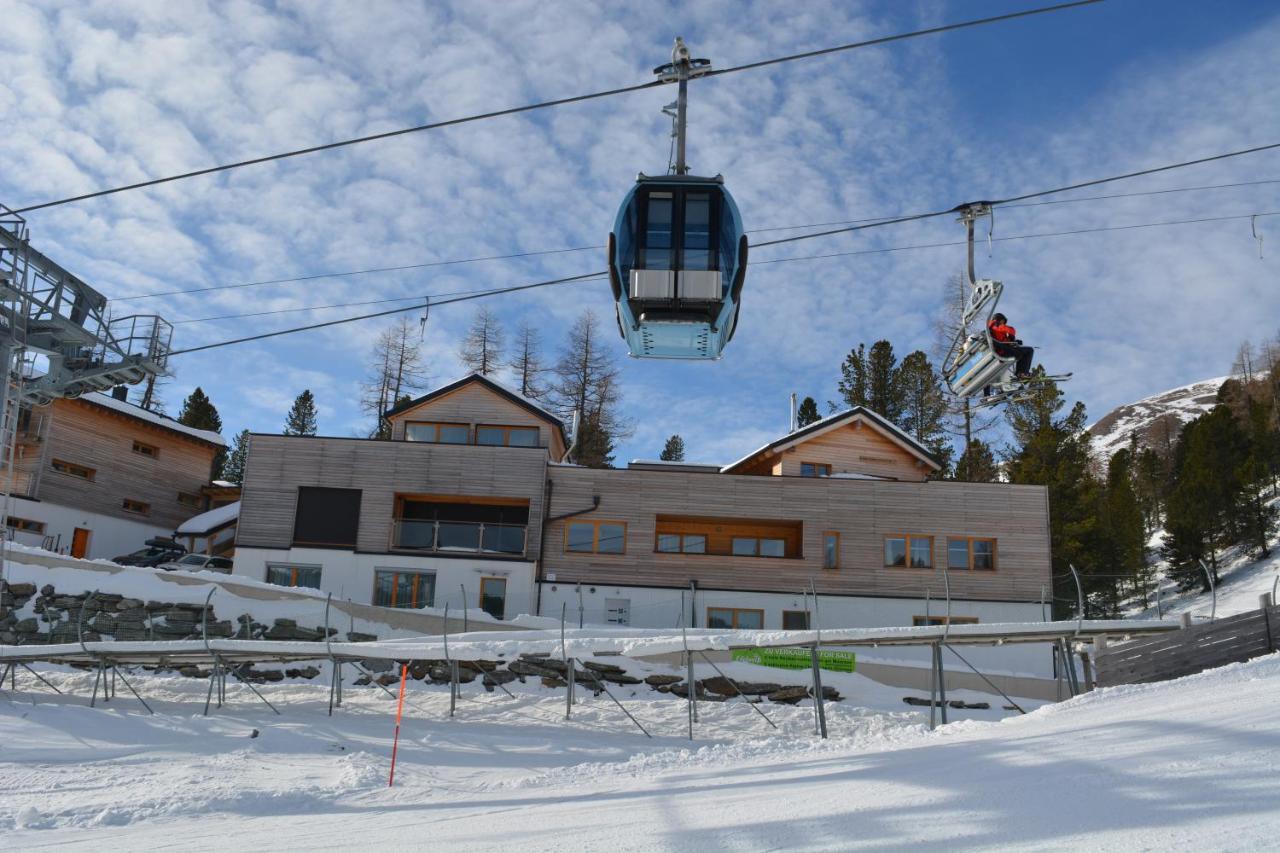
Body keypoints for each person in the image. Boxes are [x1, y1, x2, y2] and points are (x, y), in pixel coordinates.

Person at [987, 312, 1034, 378]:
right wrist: (1011, 336)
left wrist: (1013, 341)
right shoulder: (995, 324)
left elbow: (1002, 339)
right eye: (1003, 321)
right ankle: (1022, 373)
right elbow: (1010, 330)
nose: (1003, 323)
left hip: (1002, 349)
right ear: (998, 319)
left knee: (1020, 354)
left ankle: (1021, 373)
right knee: (1029, 350)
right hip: (1002, 351)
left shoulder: (993, 327)